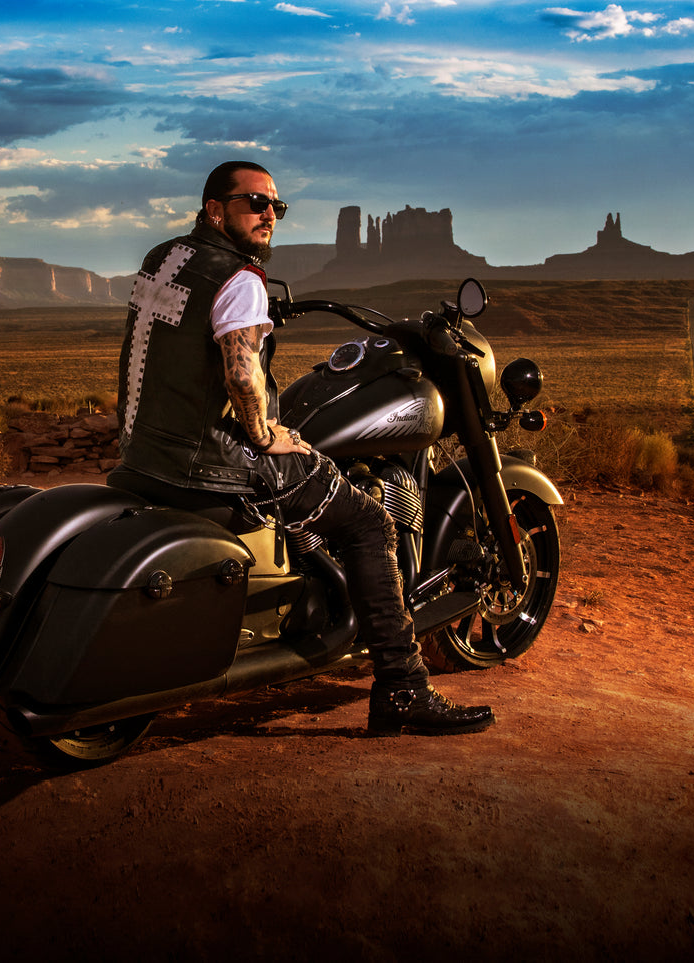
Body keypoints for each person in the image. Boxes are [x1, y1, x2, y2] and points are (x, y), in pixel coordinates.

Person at [109, 160, 494, 736]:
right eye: (254, 203)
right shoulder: (240, 279)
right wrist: (264, 434)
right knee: (367, 523)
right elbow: (242, 378)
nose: (269, 214)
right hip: (213, 467)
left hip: (144, 454)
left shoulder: (163, 259)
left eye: (276, 206)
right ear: (215, 210)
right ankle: (402, 686)